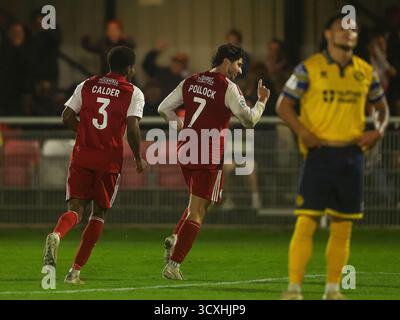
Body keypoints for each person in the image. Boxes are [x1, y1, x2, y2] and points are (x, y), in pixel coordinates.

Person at [276, 13, 389, 300]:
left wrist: (378, 130)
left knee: (343, 227)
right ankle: (294, 289)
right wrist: (302, 131)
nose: (348, 33)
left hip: (352, 156)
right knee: (306, 222)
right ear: (328, 34)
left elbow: (382, 108)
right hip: (319, 154)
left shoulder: (365, 71)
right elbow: (283, 105)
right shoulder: (309, 68)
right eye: (342, 28)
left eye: (353, 29)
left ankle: (332, 290)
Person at [158, 44, 270, 280]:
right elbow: (249, 121)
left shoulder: (191, 80)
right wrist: (261, 101)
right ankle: (174, 265)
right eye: (239, 64)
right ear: (227, 61)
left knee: (195, 203)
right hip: (208, 153)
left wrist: (177, 125)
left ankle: (176, 238)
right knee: (199, 210)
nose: (240, 71)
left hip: (186, 150)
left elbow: (163, 108)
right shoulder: (228, 87)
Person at [42, 46, 147, 284]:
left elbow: (66, 117)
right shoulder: (133, 92)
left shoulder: (87, 84)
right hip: (108, 161)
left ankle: (57, 234)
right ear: (130, 68)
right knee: (98, 213)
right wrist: (138, 157)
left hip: (82, 156)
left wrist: (86, 133)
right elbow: (132, 127)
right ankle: (74, 272)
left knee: (75, 210)